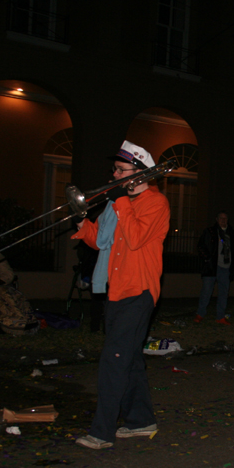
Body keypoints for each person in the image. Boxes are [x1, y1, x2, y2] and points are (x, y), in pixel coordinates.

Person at [72, 141, 170, 449]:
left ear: (140, 174)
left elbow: (137, 237)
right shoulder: (118, 205)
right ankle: (141, 420)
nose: (114, 174)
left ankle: (101, 432)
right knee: (128, 360)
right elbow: (100, 241)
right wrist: (80, 220)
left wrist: (120, 203)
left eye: (120, 170)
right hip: (115, 289)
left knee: (113, 361)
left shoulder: (156, 202)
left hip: (138, 290)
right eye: (114, 169)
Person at [195, 211, 234, 324]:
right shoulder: (210, 232)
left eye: (225, 218)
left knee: (223, 293)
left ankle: (220, 316)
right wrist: (207, 259)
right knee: (206, 292)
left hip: (226, 268)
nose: (223, 220)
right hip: (212, 267)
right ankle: (200, 314)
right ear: (216, 219)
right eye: (221, 218)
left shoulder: (232, 233)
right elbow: (201, 246)